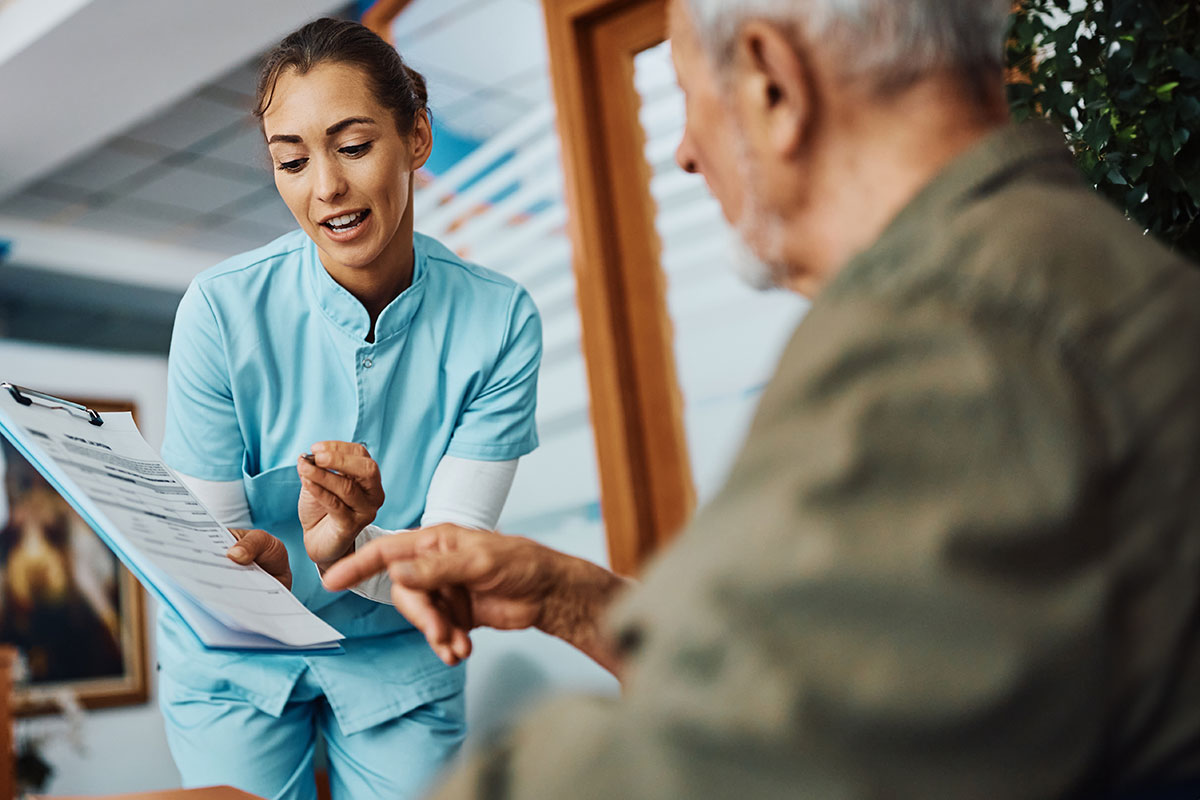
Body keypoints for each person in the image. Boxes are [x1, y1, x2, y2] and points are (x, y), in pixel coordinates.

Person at [248, 0, 1200, 796]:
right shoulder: (1076, 275)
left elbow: (710, 770)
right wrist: (577, 601)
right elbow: (856, 673)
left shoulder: (954, 340)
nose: (687, 154)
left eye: (690, 99)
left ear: (773, 84)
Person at [160, 18, 542, 800]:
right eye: (291, 161)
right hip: (238, 649)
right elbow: (214, 541)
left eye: (354, 146)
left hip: (397, 650)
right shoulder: (221, 311)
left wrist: (344, 549)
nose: (324, 187)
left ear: (418, 136)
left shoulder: (499, 321)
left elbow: (451, 560)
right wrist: (252, 567)